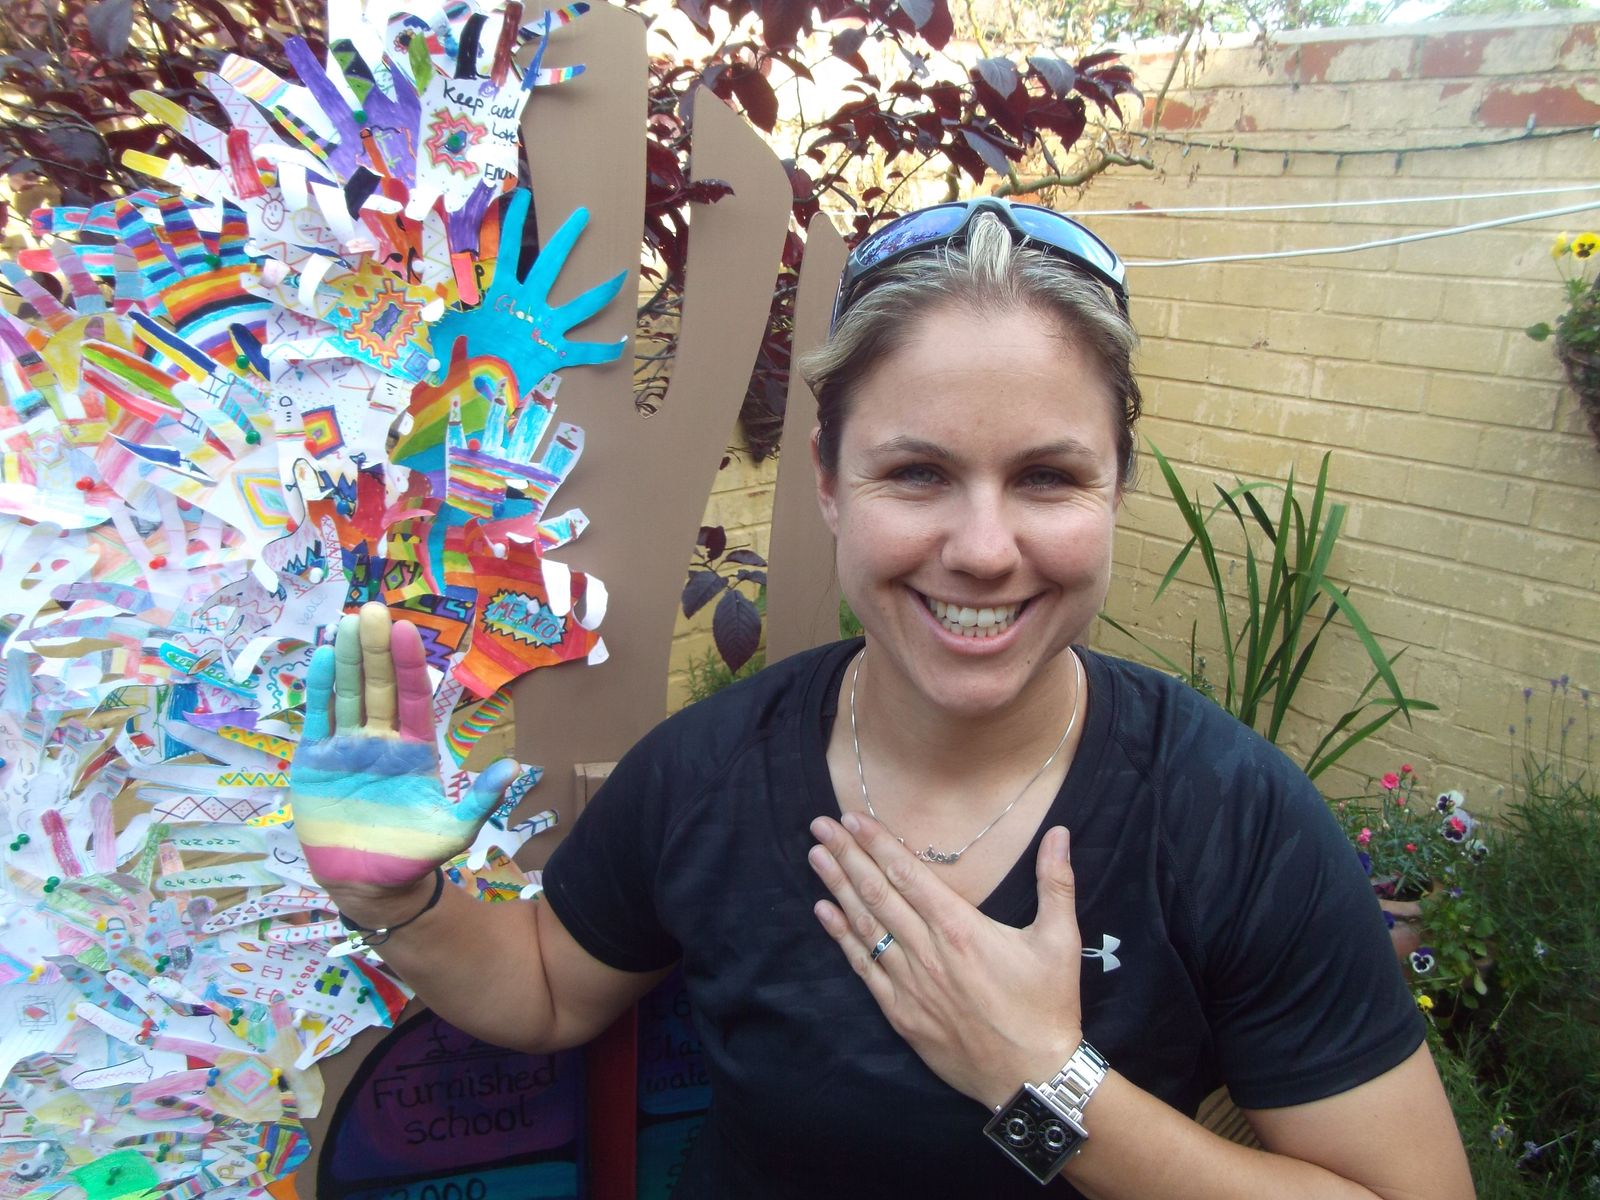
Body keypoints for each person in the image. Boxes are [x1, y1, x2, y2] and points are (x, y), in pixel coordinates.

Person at [292, 197, 1475, 1198]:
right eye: (917, 473)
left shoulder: (1230, 819)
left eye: (1047, 477)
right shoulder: (707, 771)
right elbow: (551, 990)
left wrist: (1044, 1083)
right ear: (827, 482)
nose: (982, 549)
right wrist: (401, 901)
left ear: (1115, 487)